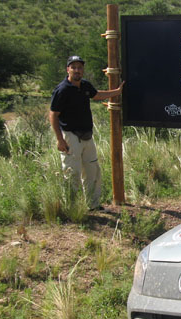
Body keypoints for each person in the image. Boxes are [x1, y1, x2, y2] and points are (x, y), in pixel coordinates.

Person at [49, 55, 124, 210]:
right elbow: (53, 115)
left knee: (92, 171)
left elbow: (96, 95)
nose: (77, 70)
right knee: (72, 173)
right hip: (70, 136)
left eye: (80, 67)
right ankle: (71, 208)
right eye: (74, 67)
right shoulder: (62, 90)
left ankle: (93, 204)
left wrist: (116, 92)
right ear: (68, 69)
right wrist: (60, 140)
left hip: (87, 136)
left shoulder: (84, 86)